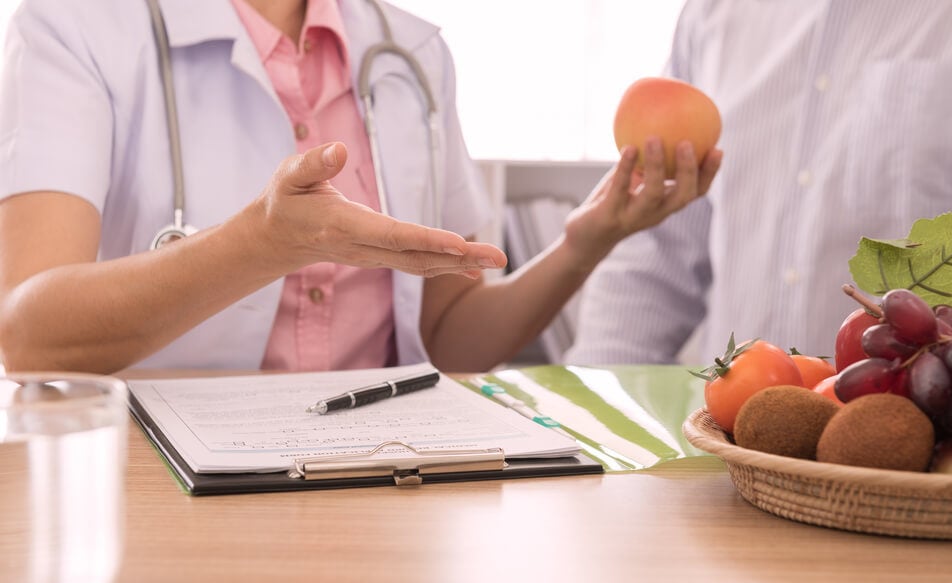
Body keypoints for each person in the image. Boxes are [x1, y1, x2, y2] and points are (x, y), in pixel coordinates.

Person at [0, 0, 721, 374]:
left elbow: (449, 339)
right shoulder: (74, 26)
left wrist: (582, 246)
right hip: (153, 481)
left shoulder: (412, 52)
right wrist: (255, 248)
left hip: (379, 479)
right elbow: (28, 334)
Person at [566, 0, 952, 366]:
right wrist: (593, 417)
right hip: (734, 444)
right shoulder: (714, 12)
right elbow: (660, 253)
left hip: (928, 448)